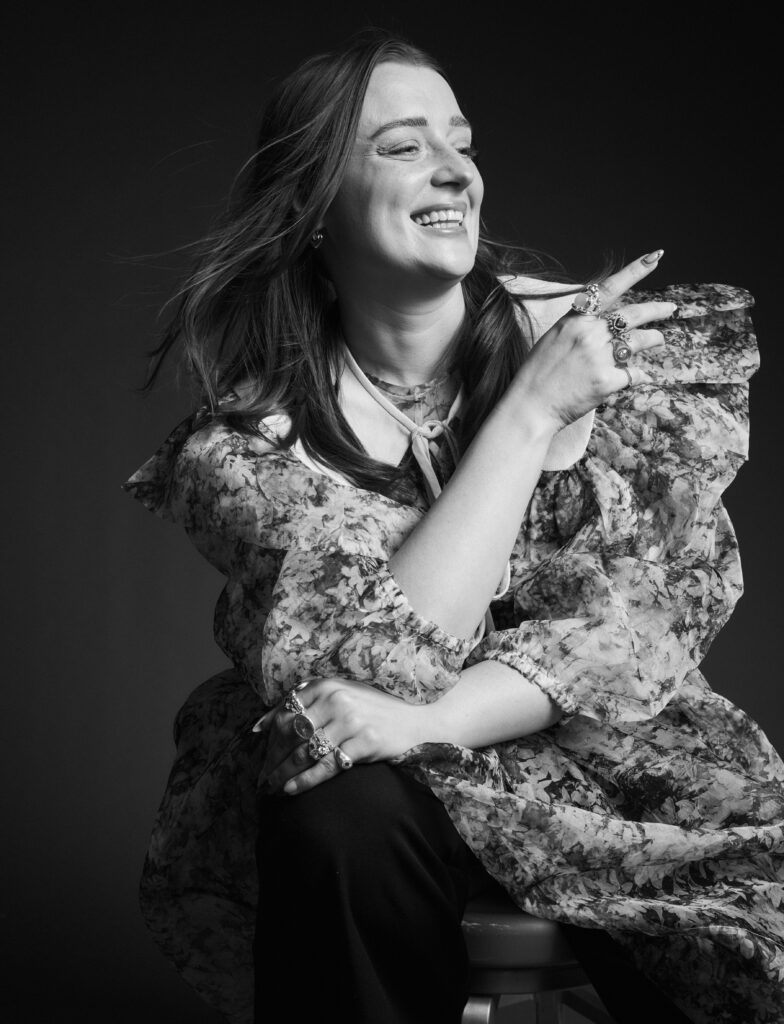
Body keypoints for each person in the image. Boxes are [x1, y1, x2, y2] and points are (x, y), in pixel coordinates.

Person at [125, 28, 783, 1024]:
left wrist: (434, 719)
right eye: (402, 146)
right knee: (336, 804)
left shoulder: (607, 351)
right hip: (391, 793)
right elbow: (374, 673)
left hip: (608, 773)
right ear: (310, 208)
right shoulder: (247, 452)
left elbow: (636, 626)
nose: (453, 171)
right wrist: (529, 416)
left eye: (461, 143)